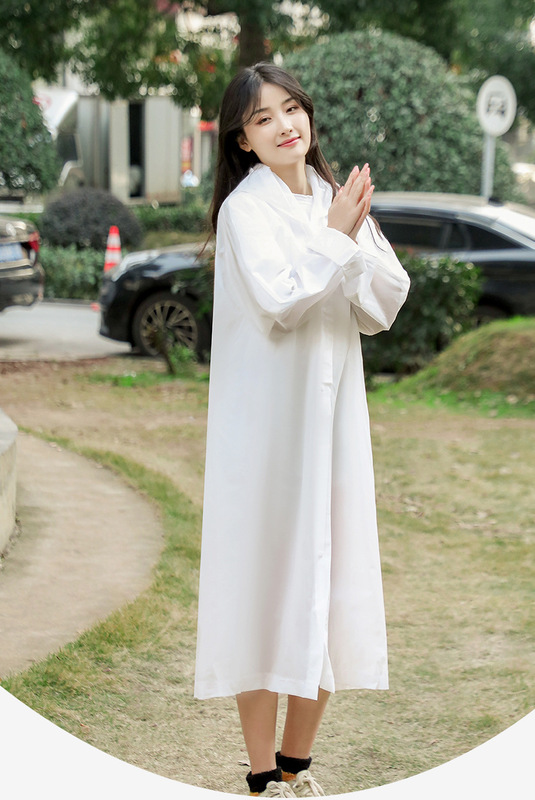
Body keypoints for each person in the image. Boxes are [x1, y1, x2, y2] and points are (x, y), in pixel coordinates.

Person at [194, 63, 410, 798]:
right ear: (243, 140)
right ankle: (261, 775)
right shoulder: (245, 212)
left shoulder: (332, 197)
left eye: (291, 108)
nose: (285, 125)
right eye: (263, 118)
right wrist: (335, 238)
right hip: (266, 431)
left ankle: (296, 767)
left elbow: (384, 301)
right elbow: (283, 302)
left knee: (330, 582)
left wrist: (347, 234)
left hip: (334, 425)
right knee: (262, 588)